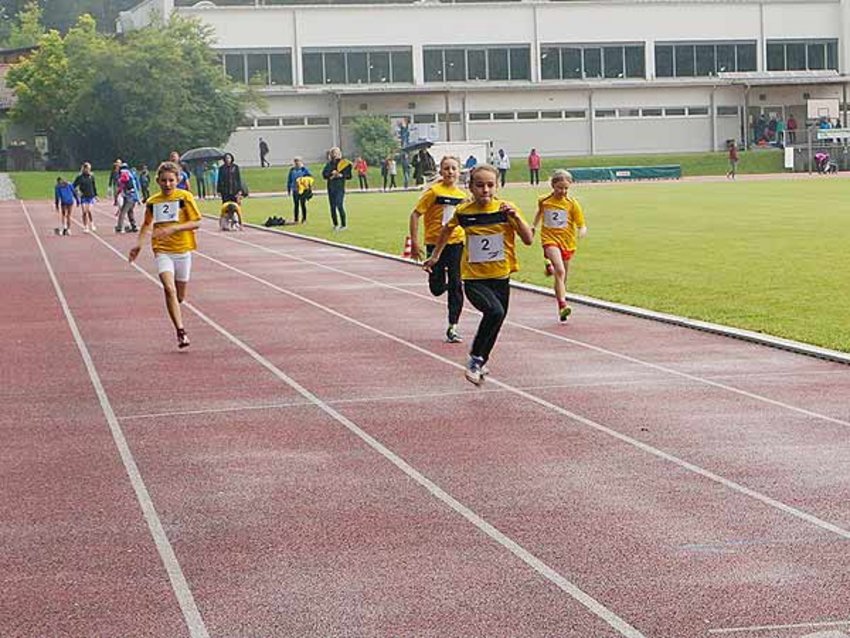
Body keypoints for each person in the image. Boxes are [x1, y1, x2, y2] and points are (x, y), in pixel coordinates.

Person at [423, 164, 534, 385]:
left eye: (490, 185)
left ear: (497, 186)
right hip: (475, 279)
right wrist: (435, 256)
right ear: (471, 187)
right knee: (494, 312)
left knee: (497, 318)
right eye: (480, 185)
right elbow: (446, 229)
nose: (485, 190)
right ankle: (475, 358)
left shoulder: (505, 209)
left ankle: (481, 360)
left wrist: (516, 218)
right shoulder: (464, 212)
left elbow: (528, 239)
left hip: (501, 277)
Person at [128, 161, 202, 349]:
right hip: (162, 251)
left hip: (183, 251)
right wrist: (138, 245)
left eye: (171, 180)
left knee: (179, 296)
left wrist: (174, 228)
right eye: (163, 181)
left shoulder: (184, 197)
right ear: (158, 181)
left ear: (178, 180)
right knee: (169, 289)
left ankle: (175, 310)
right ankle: (181, 332)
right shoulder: (153, 201)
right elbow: (146, 224)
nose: (167, 184)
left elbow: (196, 222)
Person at [409, 155, 467, 343]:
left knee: (457, 283)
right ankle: (446, 282)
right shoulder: (433, 192)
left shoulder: (462, 196)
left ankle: (453, 326)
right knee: (436, 288)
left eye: (453, 168)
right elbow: (415, 214)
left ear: (459, 172)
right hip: (434, 243)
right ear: (441, 171)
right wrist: (415, 242)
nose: (450, 172)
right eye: (447, 168)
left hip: (456, 243)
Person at [533, 170, 587, 322]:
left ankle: (560, 308)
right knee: (560, 270)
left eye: (565, 189)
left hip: (567, 242)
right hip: (549, 239)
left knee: (562, 278)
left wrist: (582, 231)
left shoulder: (572, 204)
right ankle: (563, 305)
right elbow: (540, 212)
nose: (562, 191)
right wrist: (534, 226)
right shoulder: (544, 200)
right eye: (559, 188)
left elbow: (581, 223)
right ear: (553, 186)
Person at [322, 147, 352, 230]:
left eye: (336, 153)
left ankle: (343, 224)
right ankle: (335, 224)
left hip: (339, 187)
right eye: (333, 153)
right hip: (331, 187)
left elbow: (349, 176)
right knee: (332, 207)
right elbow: (324, 175)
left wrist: (340, 175)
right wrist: (331, 174)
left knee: (339, 204)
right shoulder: (329, 164)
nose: (335, 155)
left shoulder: (344, 163)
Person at [72, 162, 97, 233]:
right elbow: (73, 186)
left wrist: (96, 195)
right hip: (83, 196)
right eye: (87, 169)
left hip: (90, 196)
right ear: (84, 169)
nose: (88, 170)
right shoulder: (80, 177)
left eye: (89, 169)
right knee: (84, 211)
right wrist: (77, 192)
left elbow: (94, 186)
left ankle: (92, 224)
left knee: (89, 210)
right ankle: (85, 226)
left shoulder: (91, 176)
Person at [115, 163, 140, 234]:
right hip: (132, 196)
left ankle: (119, 227)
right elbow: (136, 186)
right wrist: (138, 198)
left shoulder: (124, 175)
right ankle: (134, 226)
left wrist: (117, 193)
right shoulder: (131, 174)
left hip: (129, 196)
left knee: (123, 212)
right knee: (130, 211)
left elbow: (121, 185)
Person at [287, 157, 313, 223]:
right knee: (296, 205)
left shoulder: (304, 170)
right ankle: (296, 219)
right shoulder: (292, 170)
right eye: (295, 161)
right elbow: (289, 180)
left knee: (303, 204)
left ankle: (304, 219)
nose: (297, 163)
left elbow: (310, 178)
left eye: (298, 161)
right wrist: (289, 189)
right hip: (295, 190)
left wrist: (309, 189)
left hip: (302, 190)